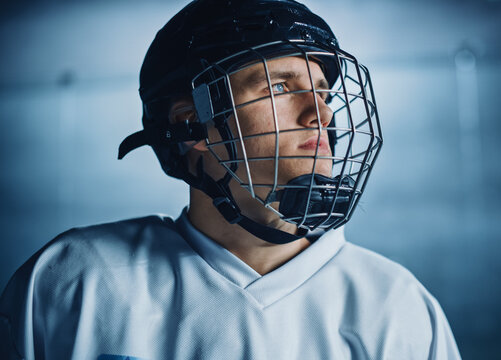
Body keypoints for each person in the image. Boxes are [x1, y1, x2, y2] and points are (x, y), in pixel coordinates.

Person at [0, 0, 461, 359]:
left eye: (322, 92)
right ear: (190, 125)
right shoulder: (73, 280)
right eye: (279, 87)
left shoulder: (398, 307)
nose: (321, 114)